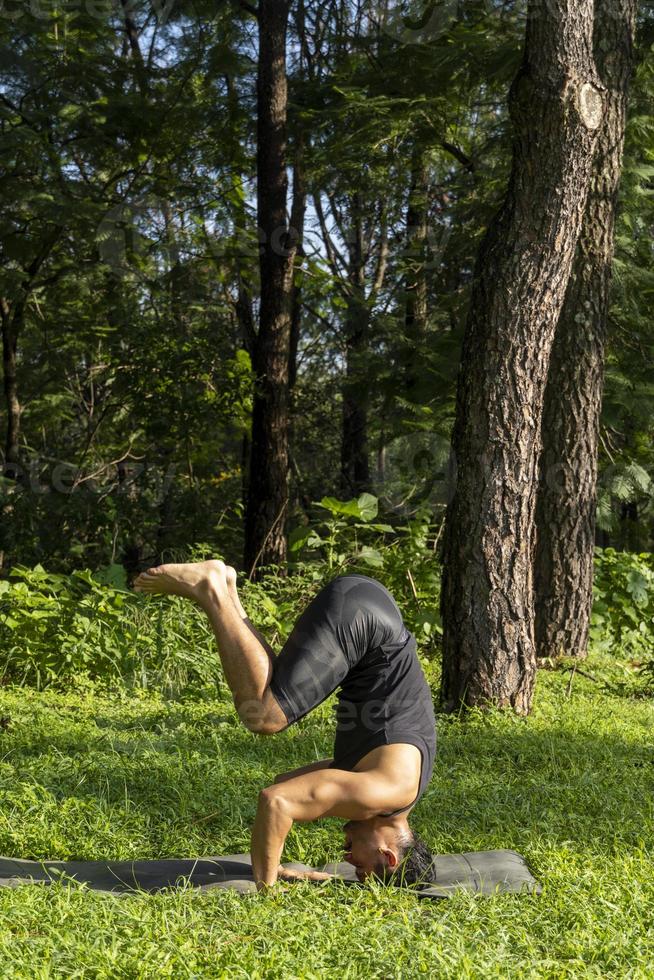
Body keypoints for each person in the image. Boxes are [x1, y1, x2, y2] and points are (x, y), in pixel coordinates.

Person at [134, 560, 436, 890]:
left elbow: (288, 783)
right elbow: (277, 801)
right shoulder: (381, 793)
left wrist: (289, 864)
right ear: (388, 855)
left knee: (271, 697)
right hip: (363, 623)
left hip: (367, 608)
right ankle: (211, 588)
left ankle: (226, 590)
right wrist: (268, 887)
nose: (347, 860)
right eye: (361, 868)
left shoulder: (395, 789)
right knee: (264, 716)